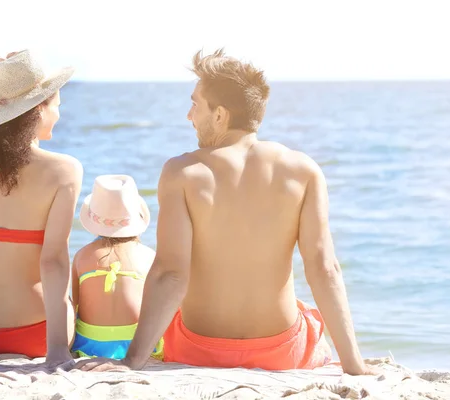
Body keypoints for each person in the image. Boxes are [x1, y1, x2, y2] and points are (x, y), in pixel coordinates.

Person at [75, 49, 374, 375]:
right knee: (307, 316)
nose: (189, 116)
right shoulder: (303, 170)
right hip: (280, 351)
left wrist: (133, 361)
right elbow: (324, 268)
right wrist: (354, 365)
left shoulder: (183, 172)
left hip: (199, 348)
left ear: (219, 115)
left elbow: (170, 274)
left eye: (195, 104)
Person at [0, 49, 82, 366]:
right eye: (57, 107)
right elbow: (53, 262)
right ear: (39, 108)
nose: (59, 116)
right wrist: (57, 350)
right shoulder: (64, 169)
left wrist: (9, 80)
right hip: (32, 333)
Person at [71, 175, 163, 359]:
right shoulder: (148, 256)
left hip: (88, 345)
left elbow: (75, 306)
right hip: (136, 345)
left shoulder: (82, 256)